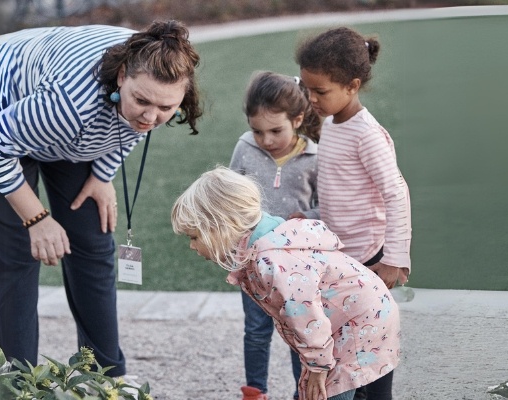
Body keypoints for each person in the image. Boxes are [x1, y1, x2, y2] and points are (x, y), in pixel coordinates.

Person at [0, 20, 202, 378]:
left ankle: (105, 374)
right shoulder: (70, 106)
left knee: (94, 245)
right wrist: (36, 219)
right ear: (121, 78)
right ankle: (18, 380)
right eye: (142, 101)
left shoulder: (153, 86)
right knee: (20, 253)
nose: (151, 116)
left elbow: (132, 129)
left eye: (165, 108)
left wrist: (102, 175)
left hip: (56, 118)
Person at [171, 167, 401, 400]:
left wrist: (318, 367)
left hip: (357, 324)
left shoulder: (273, 261)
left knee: (327, 391)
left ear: (223, 225)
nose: (192, 246)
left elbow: (306, 315)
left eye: (194, 237)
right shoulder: (269, 237)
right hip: (363, 313)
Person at [294, 26, 412, 399]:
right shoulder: (331, 124)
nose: (311, 98)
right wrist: (310, 222)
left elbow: (396, 192)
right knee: (347, 346)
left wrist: (394, 258)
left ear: (353, 85)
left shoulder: (366, 134)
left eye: (321, 91)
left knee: (372, 349)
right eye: (307, 88)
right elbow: (339, 192)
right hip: (341, 258)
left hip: (369, 259)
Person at [229, 71, 321, 400]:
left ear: (297, 119)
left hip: (298, 268)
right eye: (257, 131)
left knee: (301, 330)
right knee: (256, 330)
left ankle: (303, 393)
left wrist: (303, 218)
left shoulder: (315, 157)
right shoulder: (244, 148)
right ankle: (255, 392)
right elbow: (229, 196)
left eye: (275, 130)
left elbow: (326, 208)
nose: (266, 140)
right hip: (253, 262)